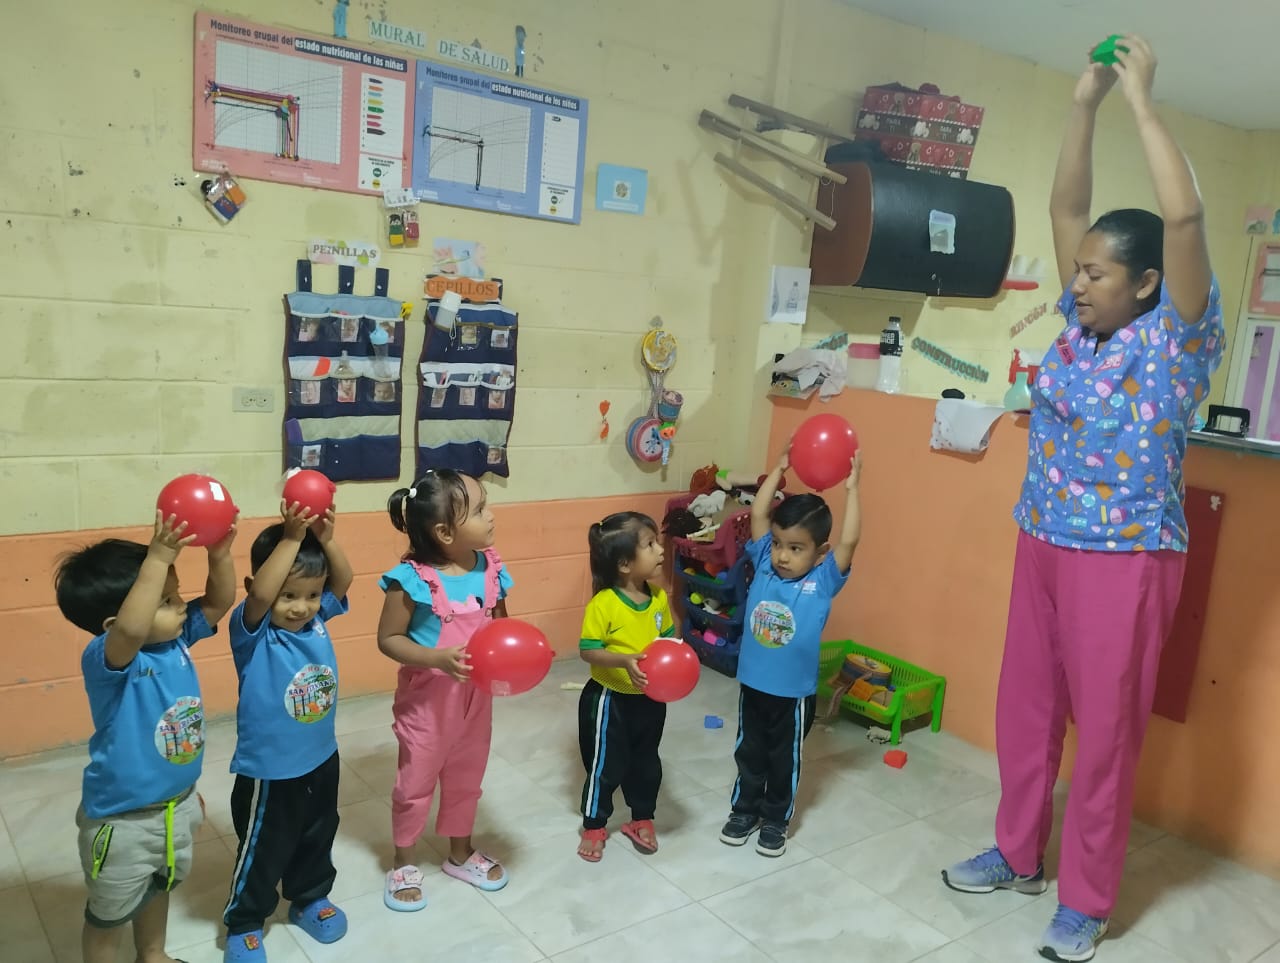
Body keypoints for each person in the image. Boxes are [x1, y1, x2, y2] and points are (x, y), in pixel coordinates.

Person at [941, 36, 1224, 963]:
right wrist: (1082, 104)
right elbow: (1066, 207)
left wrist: (1141, 101)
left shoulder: (1177, 337)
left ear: (1146, 283)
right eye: (1080, 268)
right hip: (1044, 539)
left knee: (1104, 737)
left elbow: (1185, 220)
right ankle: (1017, 853)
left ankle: (1087, 900)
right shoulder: (1081, 324)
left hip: (1128, 553)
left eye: (1098, 272)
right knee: (1025, 708)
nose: (1080, 280)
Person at [54, 511, 238, 963]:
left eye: (176, 594)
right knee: (109, 916)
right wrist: (157, 557)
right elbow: (132, 630)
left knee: (159, 887)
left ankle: (152, 954)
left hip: (175, 806)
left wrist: (219, 554)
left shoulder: (175, 639)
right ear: (111, 624)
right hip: (123, 823)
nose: (181, 606)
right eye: (165, 600)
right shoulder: (109, 659)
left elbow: (219, 601)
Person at [220, 502, 353, 962]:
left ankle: (310, 896)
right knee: (264, 845)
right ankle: (245, 921)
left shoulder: (317, 620)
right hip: (271, 768)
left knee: (318, 832)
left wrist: (326, 539)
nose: (302, 607)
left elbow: (344, 580)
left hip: (322, 755)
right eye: (288, 595)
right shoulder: (254, 632)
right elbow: (262, 596)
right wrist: (293, 538)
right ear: (256, 587)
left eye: (312, 594)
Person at [377, 469, 513, 910]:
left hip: (477, 700)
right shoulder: (411, 579)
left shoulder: (491, 567)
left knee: (466, 777)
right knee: (415, 784)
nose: (490, 516)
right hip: (428, 705)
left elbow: (502, 629)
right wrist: (436, 658)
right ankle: (403, 862)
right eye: (479, 510)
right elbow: (388, 639)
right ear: (444, 532)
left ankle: (460, 853)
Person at [720, 447, 862, 856]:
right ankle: (744, 810)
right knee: (749, 751)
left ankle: (775, 820)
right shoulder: (765, 564)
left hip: (793, 695)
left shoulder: (823, 580)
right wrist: (779, 469)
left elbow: (850, 540)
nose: (783, 555)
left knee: (784, 759)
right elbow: (759, 515)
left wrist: (852, 490)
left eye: (796, 548)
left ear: (820, 552)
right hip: (753, 685)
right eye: (780, 544)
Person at [575, 512, 676, 862]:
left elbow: (667, 642)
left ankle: (642, 817)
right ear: (623, 563)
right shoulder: (604, 604)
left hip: (650, 697)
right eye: (650, 544)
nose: (660, 550)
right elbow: (588, 650)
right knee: (606, 764)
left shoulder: (658, 598)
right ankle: (594, 825)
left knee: (647, 762)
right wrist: (624, 661)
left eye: (657, 542)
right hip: (609, 698)